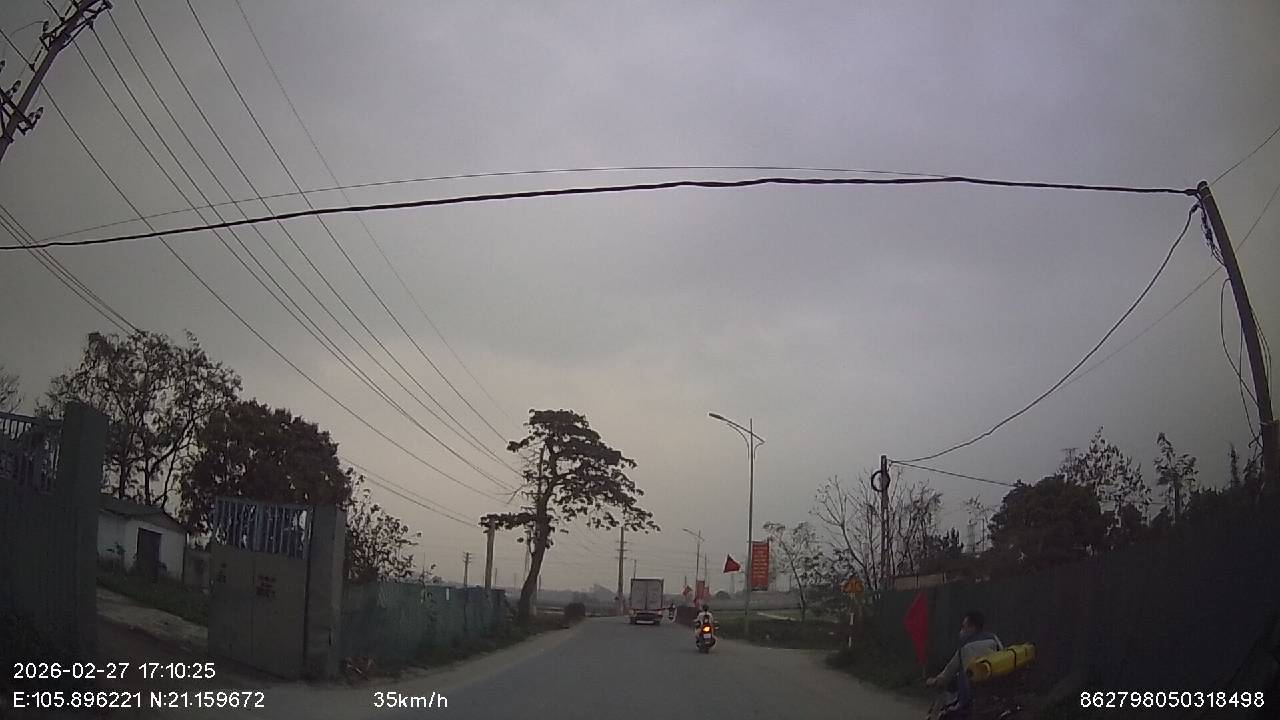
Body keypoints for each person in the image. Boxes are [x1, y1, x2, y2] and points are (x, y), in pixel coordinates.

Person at [926, 610, 1003, 716]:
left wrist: (934, 681)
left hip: (970, 703)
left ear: (972, 627)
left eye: (963, 627)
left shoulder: (965, 648)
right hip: (996, 698)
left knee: (946, 713)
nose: (961, 631)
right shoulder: (994, 638)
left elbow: (946, 675)